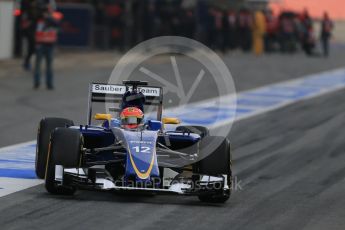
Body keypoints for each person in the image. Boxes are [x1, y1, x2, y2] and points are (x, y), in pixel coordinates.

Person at [33, 5, 59, 90]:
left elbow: (56, 24)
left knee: (49, 66)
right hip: (40, 44)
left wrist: (48, 17)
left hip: (49, 45)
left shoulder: (52, 19)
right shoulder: (39, 19)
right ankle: (36, 83)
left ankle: (49, 84)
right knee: (38, 65)